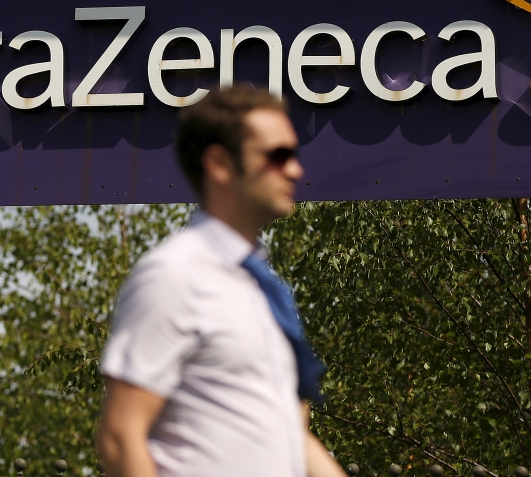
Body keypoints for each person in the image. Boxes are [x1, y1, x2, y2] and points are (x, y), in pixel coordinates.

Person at [97, 86, 346, 477]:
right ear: (220, 163)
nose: (295, 170)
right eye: (278, 156)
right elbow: (120, 436)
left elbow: (291, 435)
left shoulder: (264, 289)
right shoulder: (173, 275)